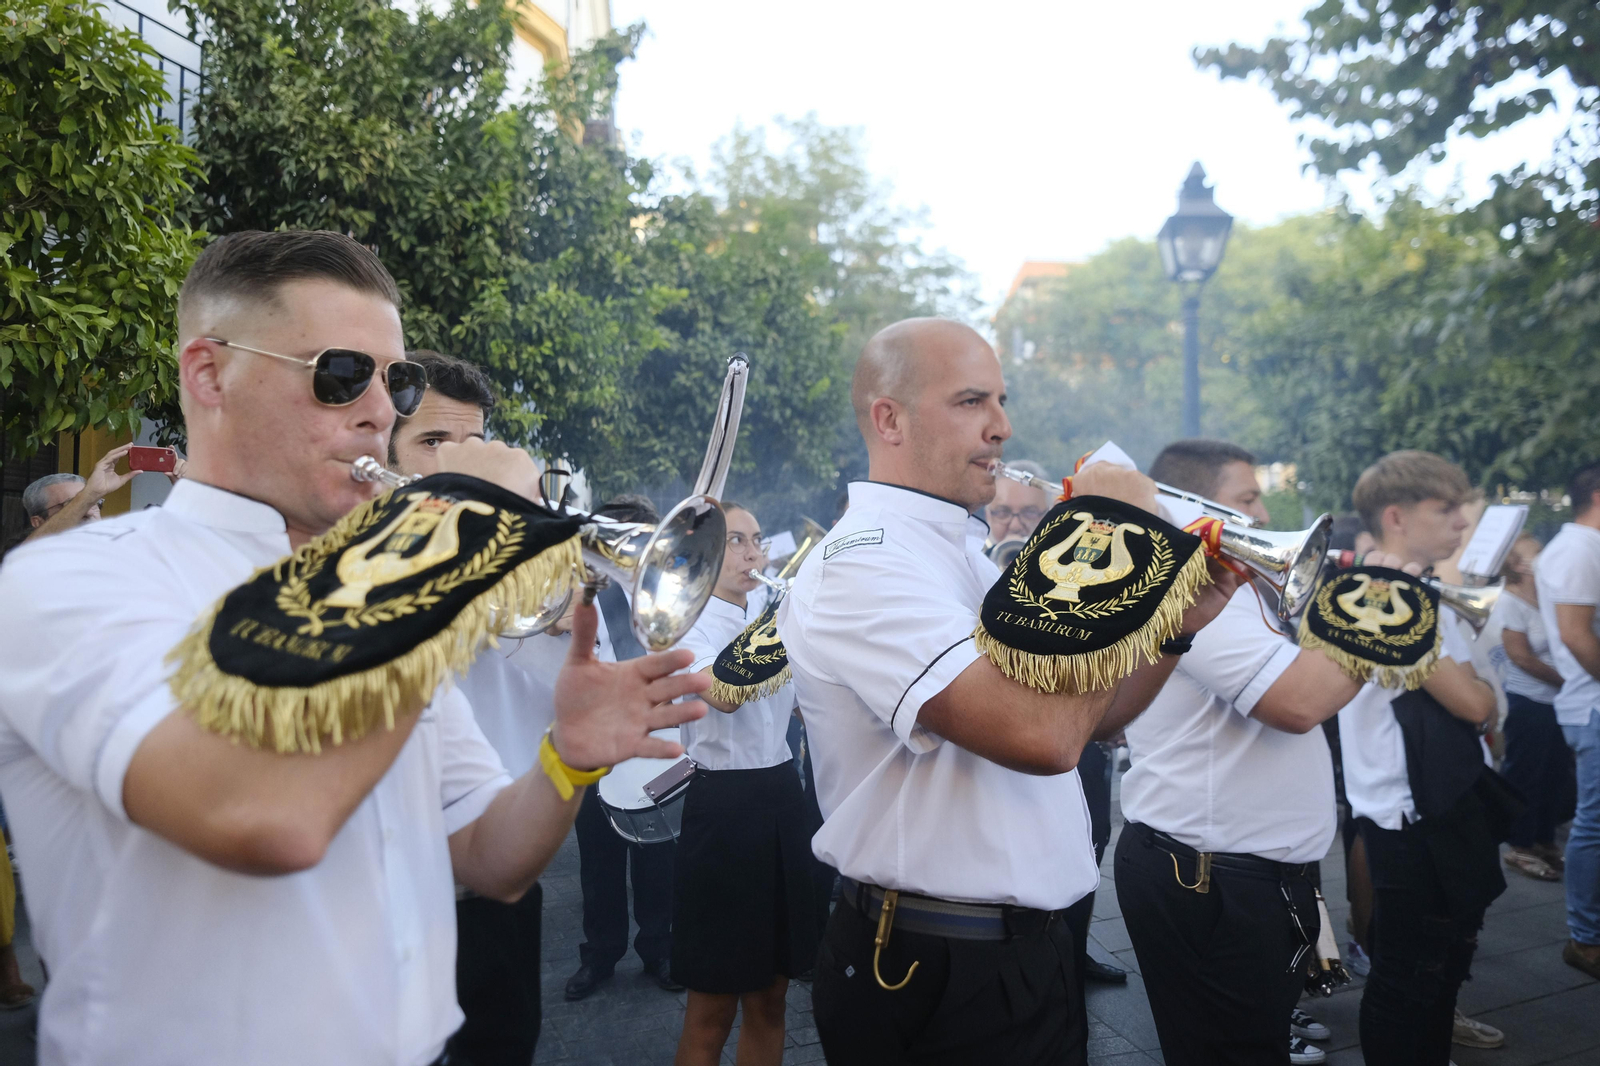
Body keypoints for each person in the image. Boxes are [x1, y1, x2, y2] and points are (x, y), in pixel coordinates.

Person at [0, 229, 710, 1066]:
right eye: (339, 375)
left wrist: (566, 759)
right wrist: (449, 535)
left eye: (396, 381)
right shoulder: (70, 580)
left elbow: (491, 857)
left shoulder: (384, 606)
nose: (381, 412)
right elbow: (265, 816)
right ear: (208, 373)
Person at [778, 317, 1240, 1065]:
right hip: (934, 966)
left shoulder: (962, 550)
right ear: (888, 418)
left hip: (1021, 952)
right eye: (971, 402)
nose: (1003, 426)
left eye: (1000, 399)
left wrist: (1172, 626)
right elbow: (1042, 735)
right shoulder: (861, 563)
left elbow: (1091, 718)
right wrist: (1103, 528)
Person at [1116, 439, 1417, 1066]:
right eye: (1247, 499)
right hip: (1209, 877)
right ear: (1193, 504)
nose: (1262, 513)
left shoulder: (1242, 588)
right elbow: (1300, 701)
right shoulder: (1196, 590)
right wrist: (1381, 597)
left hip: (1237, 871)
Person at [388, 348, 545, 1066]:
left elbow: (568, 679)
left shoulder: (526, 553)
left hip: (504, 874)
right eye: (431, 445)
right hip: (388, 893)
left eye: (470, 446)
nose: (455, 465)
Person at [1340, 450, 1501, 1066]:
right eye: (1446, 508)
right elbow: (1472, 703)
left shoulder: (1417, 592)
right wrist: (1478, 693)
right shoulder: (1384, 599)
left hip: (1424, 808)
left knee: (1433, 973)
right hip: (1408, 817)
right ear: (1396, 517)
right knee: (1409, 979)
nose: (1462, 522)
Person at [670, 503, 826, 1066]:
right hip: (724, 807)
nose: (754, 554)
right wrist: (792, 617)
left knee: (773, 997)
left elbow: (809, 709)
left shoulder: (771, 611)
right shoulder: (681, 622)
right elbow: (726, 693)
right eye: (736, 541)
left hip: (783, 796)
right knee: (710, 1008)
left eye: (757, 540)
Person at [986, 457, 1126, 985]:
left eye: (1028, 515)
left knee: (1090, 840)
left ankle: (1076, 950)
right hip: (1001, 740)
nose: (1014, 525)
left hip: (1077, 735)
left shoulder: (1079, 571)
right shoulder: (968, 570)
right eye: (1001, 512)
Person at [565, 492, 682, 1001]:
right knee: (598, 861)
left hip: (656, 744)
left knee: (658, 857)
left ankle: (659, 948)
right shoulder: (578, 594)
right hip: (594, 747)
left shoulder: (673, 596)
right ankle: (600, 954)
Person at [1535, 459, 1600, 980]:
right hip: (1593, 706)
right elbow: (1577, 636)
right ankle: (1585, 937)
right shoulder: (1579, 549)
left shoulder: (1578, 547)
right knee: (1592, 826)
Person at [1491, 534, 1569, 881]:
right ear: (1518, 564)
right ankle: (1520, 846)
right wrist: (1567, 680)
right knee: (1526, 776)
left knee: (1555, 775)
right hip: (1530, 703)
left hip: (1558, 702)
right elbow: (1520, 656)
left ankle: (1544, 840)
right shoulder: (1509, 601)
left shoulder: (1548, 595)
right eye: (1537, 554)